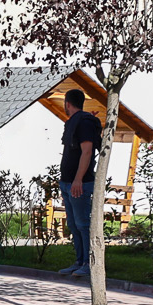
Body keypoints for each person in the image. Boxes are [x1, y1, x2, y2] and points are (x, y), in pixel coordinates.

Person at [59, 89, 104, 277]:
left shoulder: (84, 123)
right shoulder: (74, 123)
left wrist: (78, 179)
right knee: (73, 223)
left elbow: (87, 152)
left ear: (68, 103)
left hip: (79, 183)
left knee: (83, 223)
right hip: (67, 182)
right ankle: (79, 261)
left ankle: (88, 263)